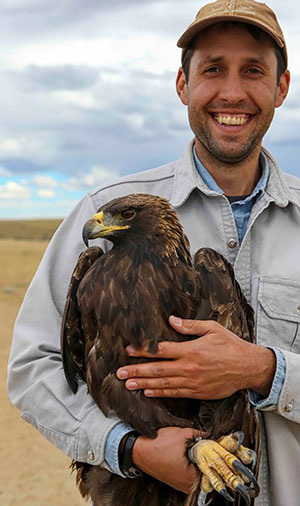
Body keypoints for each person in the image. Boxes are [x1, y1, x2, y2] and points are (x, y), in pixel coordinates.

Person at [7, 1, 300, 505]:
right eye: (212, 70)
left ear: (281, 87)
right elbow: (34, 368)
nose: (232, 91)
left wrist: (266, 371)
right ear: (183, 85)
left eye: (253, 71)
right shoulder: (101, 209)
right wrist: (129, 447)